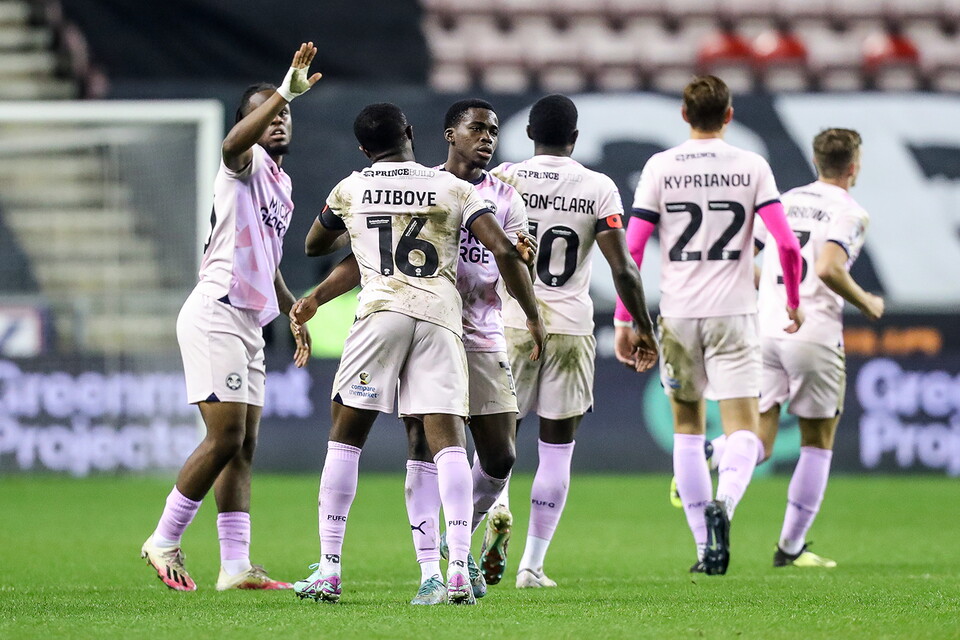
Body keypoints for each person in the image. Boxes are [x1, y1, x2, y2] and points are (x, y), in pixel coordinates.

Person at [290, 103, 544, 605]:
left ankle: (330, 569)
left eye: (492, 131)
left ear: (363, 148)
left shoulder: (351, 187)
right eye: (478, 128)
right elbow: (502, 249)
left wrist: (354, 221)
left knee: (346, 439)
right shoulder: (450, 188)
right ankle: (451, 571)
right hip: (439, 317)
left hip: (388, 313)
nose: (487, 137)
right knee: (445, 445)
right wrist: (534, 316)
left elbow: (317, 245)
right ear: (415, 132)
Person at [140, 43, 319, 591]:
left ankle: (236, 565)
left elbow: (267, 257)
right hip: (215, 310)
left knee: (243, 446)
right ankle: (164, 538)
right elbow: (230, 144)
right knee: (225, 437)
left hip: (249, 321)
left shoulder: (282, 184)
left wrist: (292, 307)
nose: (279, 119)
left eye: (284, 114)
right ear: (251, 123)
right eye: (267, 114)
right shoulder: (244, 164)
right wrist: (283, 91)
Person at [613, 75, 803, 576]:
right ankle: (727, 504)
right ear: (729, 115)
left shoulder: (660, 166)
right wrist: (792, 300)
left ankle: (704, 550)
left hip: (678, 317)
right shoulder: (752, 165)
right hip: (735, 314)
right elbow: (786, 244)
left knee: (688, 430)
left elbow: (632, 249)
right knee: (744, 429)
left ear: (684, 114)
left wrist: (625, 318)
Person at [489, 94, 658, 589]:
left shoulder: (504, 178)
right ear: (575, 138)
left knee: (498, 438)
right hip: (571, 327)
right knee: (557, 449)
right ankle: (532, 565)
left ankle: (495, 510)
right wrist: (643, 325)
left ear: (529, 134)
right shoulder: (597, 187)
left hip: (512, 322)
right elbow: (623, 268)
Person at [752, 128, 881, 567]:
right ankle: (790, 547)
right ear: (853, 167)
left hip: (767, 328)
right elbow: (828, 267)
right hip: (813, 334)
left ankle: (711, 453)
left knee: (760, 439)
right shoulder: (851, 212)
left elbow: (745, 260)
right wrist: (866, 302)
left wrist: (769, 293)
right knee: (817, 442)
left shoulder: (784, 201)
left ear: (815, 160)